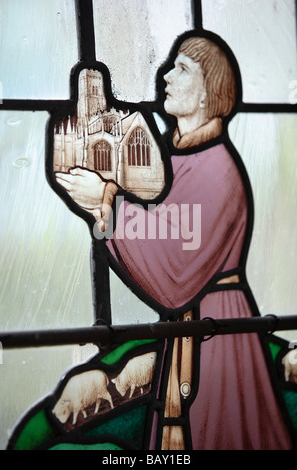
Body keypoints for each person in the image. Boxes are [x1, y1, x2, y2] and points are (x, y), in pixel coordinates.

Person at [55, 33, 295, 449]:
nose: (164, 75)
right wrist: (105, 204)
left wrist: (107, 205)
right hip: (191, 329)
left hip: (218, 332)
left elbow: (176, 271)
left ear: (208, 94)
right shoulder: (179, 158)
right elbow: (163, 233)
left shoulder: (218, 169)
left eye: (182, 69)